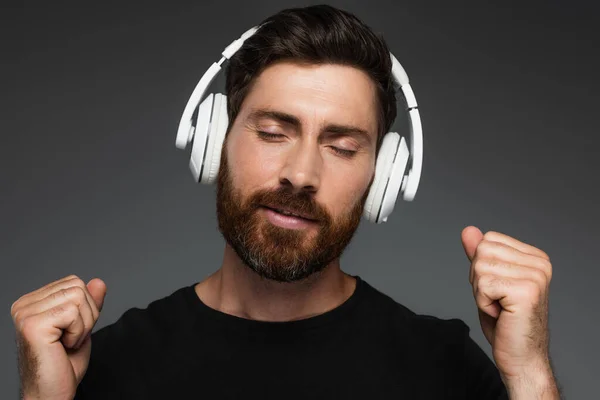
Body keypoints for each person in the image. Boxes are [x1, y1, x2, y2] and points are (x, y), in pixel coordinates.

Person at [11, 5, 561, 400]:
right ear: (216, 141)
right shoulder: (107, 367)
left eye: (342, 147)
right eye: (274, 132)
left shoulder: (444, 367)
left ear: (384, 176)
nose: (301, 174)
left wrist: (530, 373)